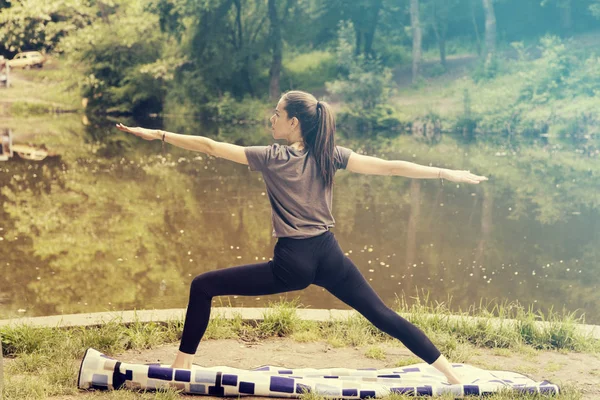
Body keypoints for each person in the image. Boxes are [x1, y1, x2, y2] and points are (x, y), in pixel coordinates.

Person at [116, 90, 487, 384]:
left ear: (293, 123)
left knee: (202, 286)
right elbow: (390, 168)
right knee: (381, 314)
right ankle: (452, 376)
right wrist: (446, 172)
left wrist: (160, 134)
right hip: (328, 255)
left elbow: (211, 146)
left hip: (292, 262)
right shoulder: (330, 155)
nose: (271, 118)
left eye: (277, 114)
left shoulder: (271, 157)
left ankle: (180, 373)